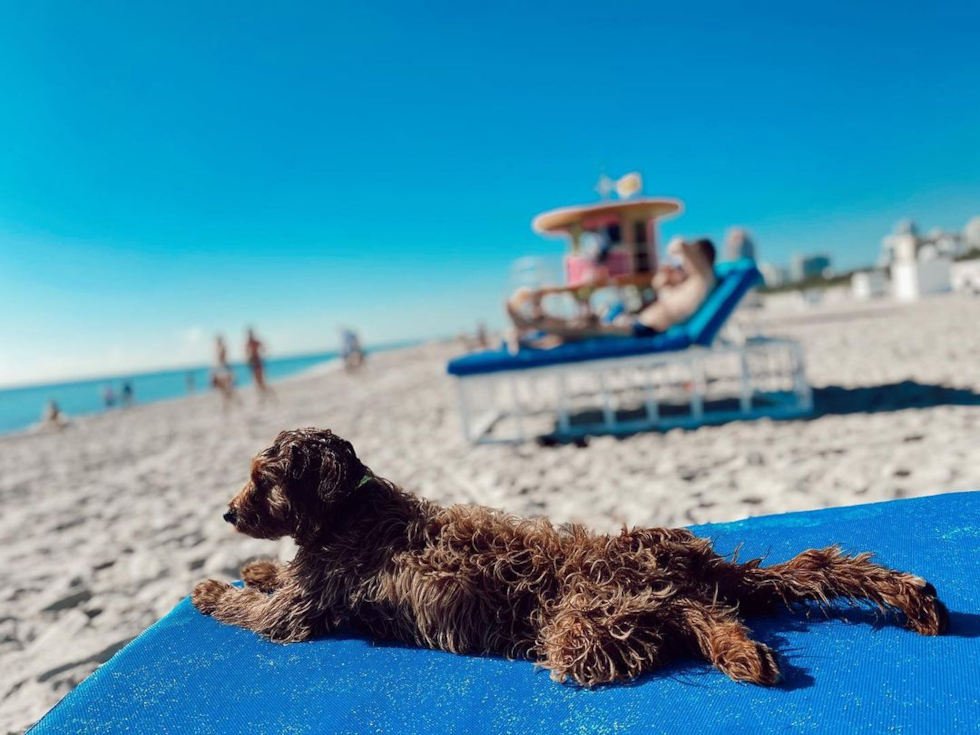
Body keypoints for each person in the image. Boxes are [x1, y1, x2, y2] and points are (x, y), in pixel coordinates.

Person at [506, 238, 717, 349]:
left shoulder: (703, 279)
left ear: (702, 258)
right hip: (638, 324)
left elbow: (680, 245)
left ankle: (534, 324)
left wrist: (680, 249)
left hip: (646, 331)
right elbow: (660, 288)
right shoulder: (688, 285)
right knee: (584, 329)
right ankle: (534, 340)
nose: (682, 264)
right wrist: (665, 280)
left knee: (587, 327)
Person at [211, 334, 238, 410]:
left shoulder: (222, 348)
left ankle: (227, 407)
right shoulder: (218, 349)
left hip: (223, 369)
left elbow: (223, 360)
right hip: (221, 369)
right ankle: (233, 403)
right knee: (225, 391)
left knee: (226, 391)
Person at [245, 327, 272, 399]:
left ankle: (268, 395)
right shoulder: (248, 343)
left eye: (250, 333)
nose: (249, 335)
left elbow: (264, 347)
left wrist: (261, 354)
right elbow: (246, 354)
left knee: (262, 382)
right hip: (252, 363)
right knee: (257, 383)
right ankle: (263, 396)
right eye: (248, 334)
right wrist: (247, 360)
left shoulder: (255, 341)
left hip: (258, 362)